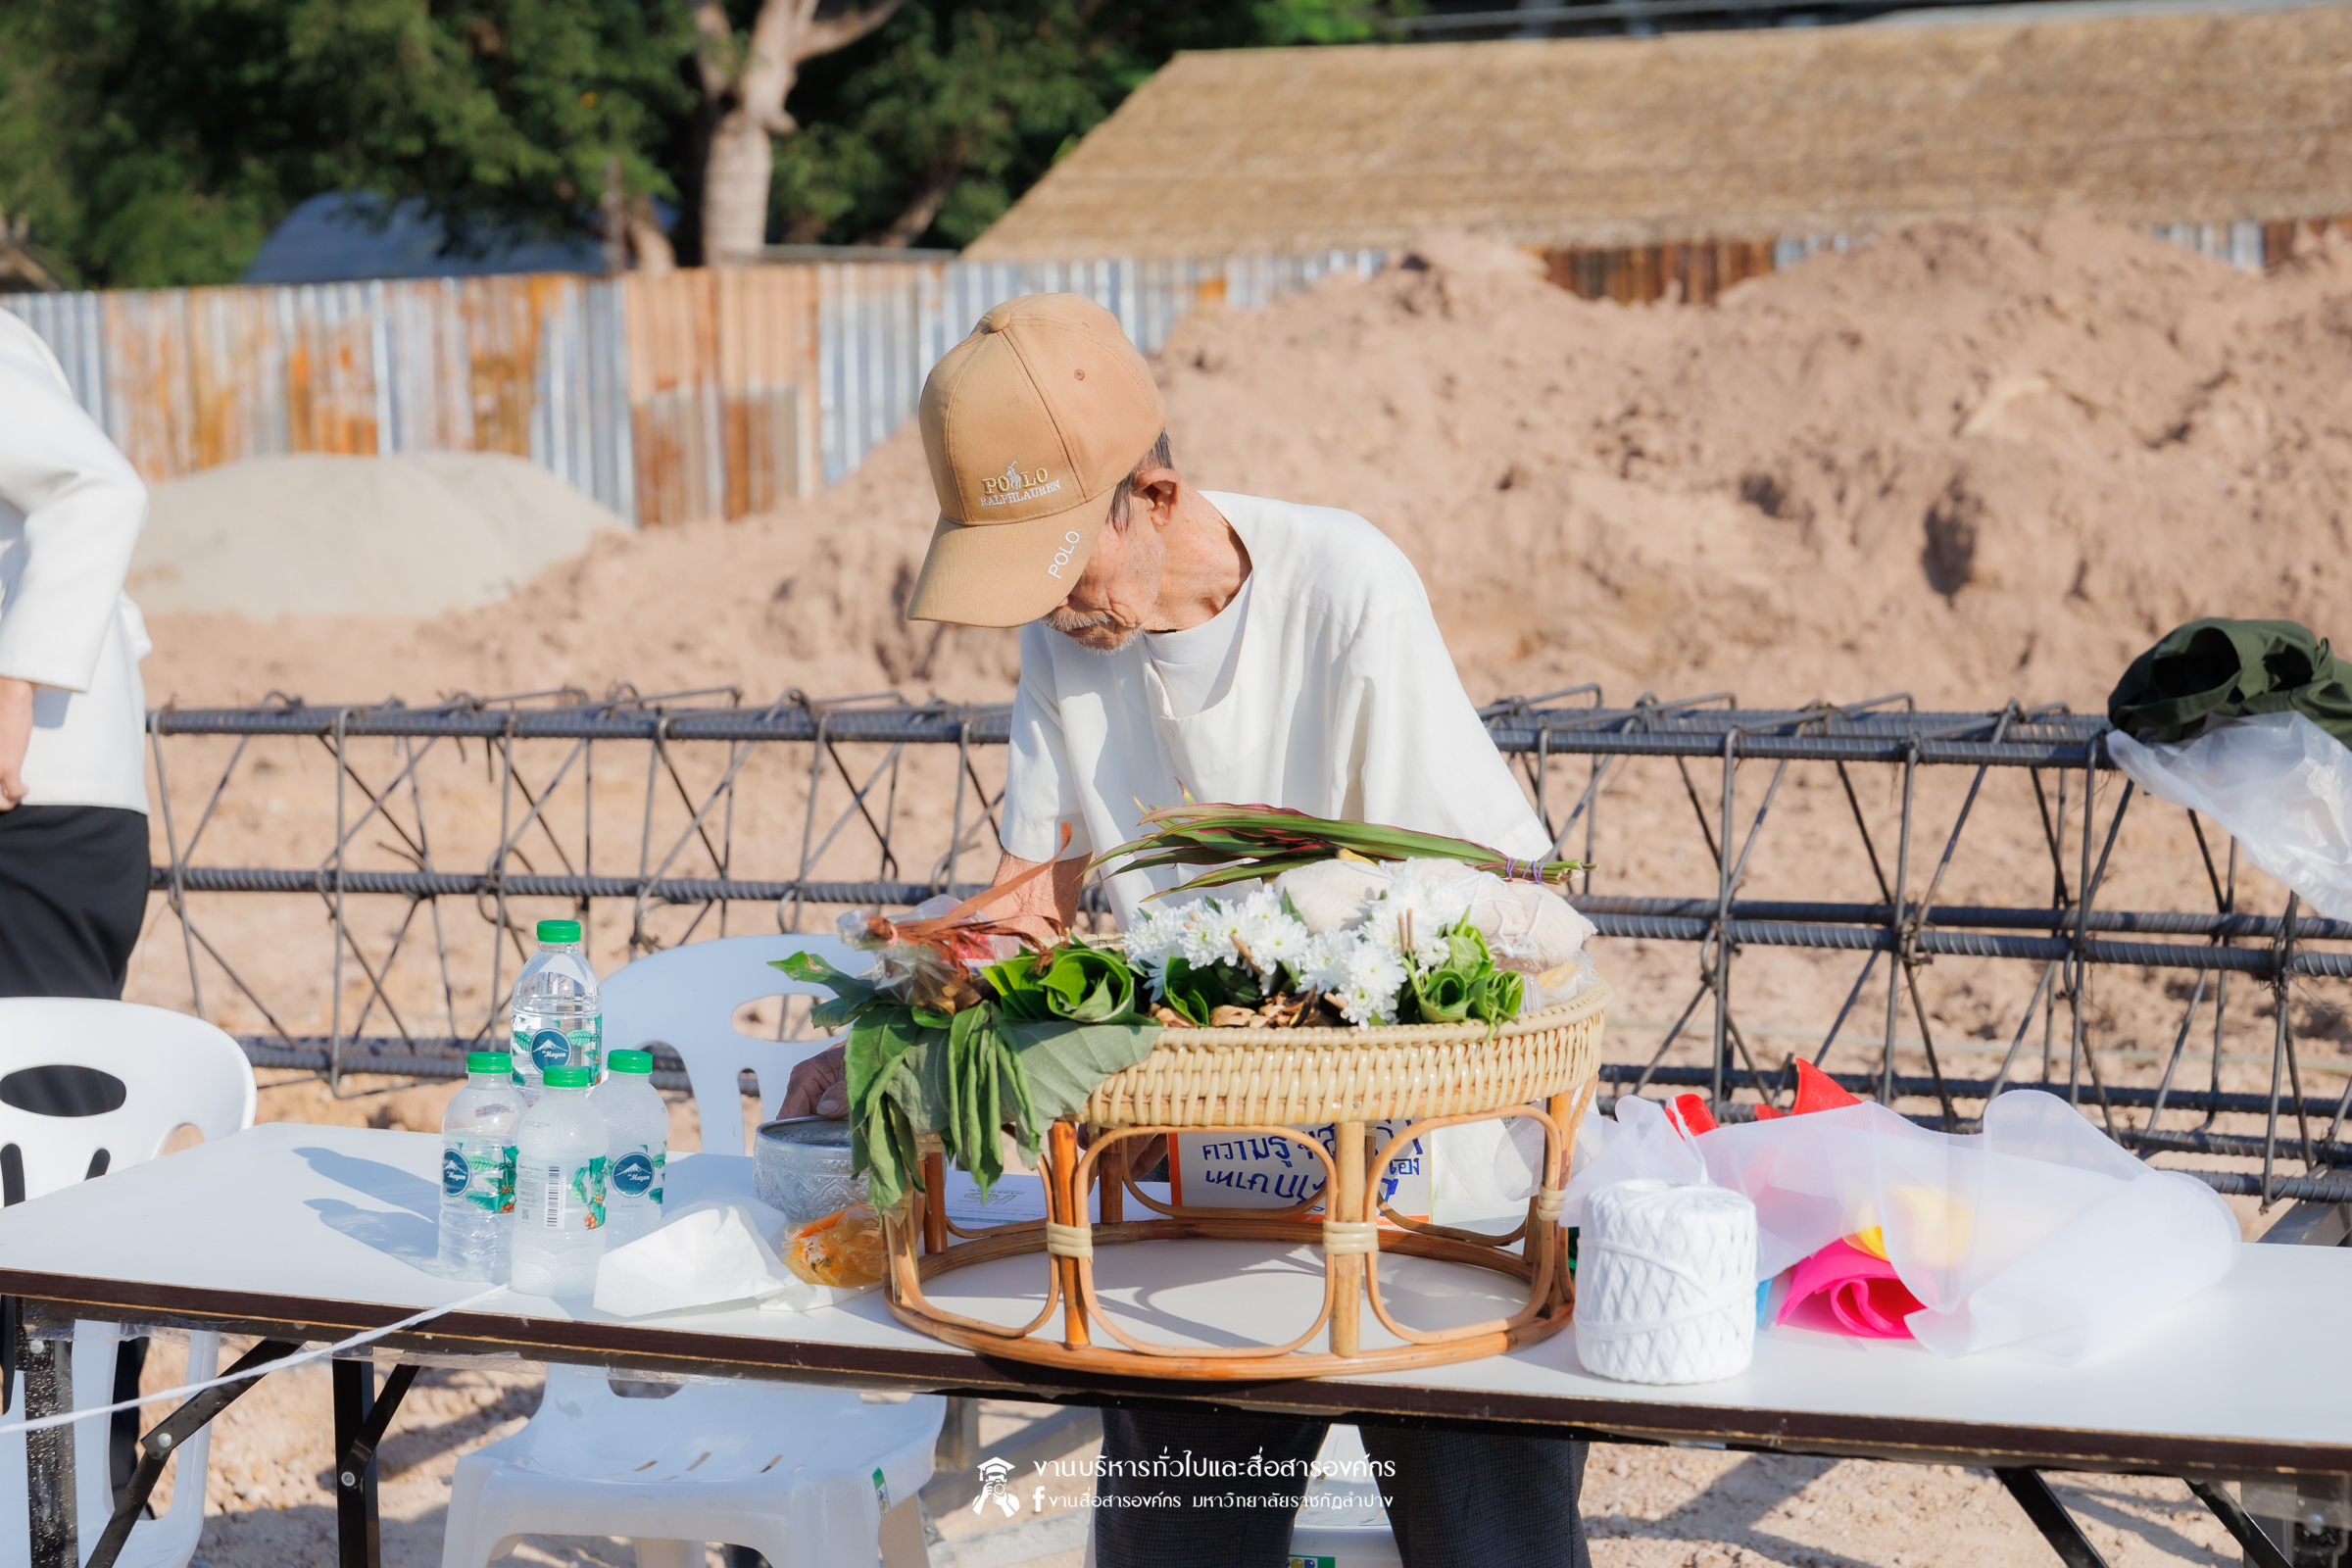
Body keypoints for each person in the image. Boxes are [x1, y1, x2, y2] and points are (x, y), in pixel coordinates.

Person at [783, 294, 1590, 1567]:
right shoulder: (1067, 640)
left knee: (1489, 1547)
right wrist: (892, 1023)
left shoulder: (1346, 589)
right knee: (1178, 1545)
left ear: (1152, 495)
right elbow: (1034, 898)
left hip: (1428, 1185)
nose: (1053, 607)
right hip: (1211, 1197)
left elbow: (1478, 903)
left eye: (1062, 566)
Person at [0, 308, 157, 1504]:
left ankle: (69, 1513)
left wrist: (12, 684)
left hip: (35, 811)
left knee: (43, 1168)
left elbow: (98, 485)